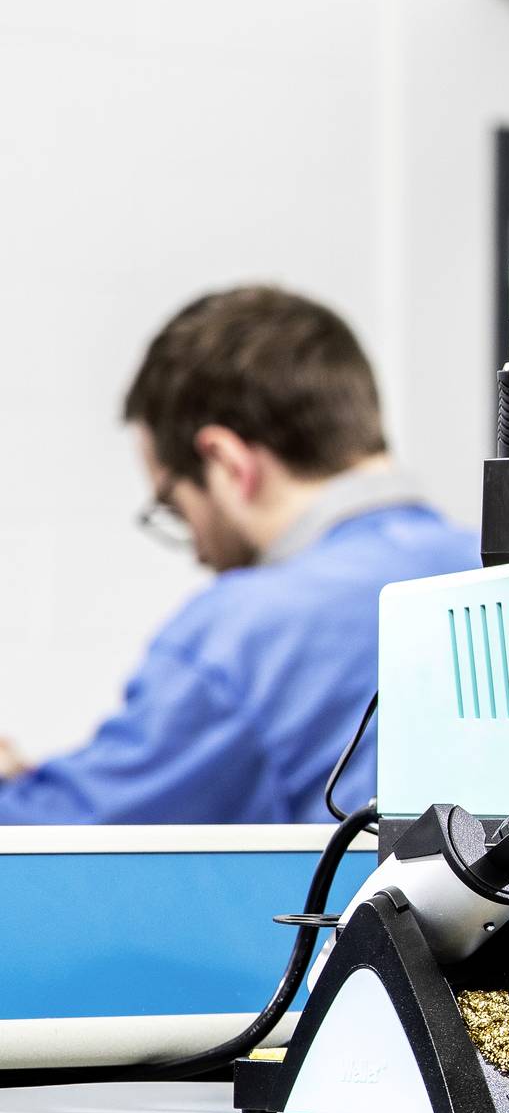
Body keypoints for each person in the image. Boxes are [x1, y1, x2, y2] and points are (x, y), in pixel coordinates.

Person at [0, 286, 478, 825]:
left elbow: (71, 836)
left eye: (175, 508)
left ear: (227, 462)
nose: (199, 553)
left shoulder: (246, 632)